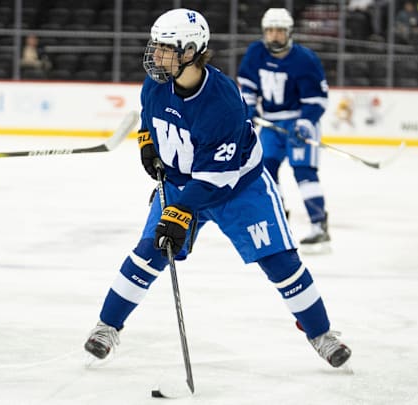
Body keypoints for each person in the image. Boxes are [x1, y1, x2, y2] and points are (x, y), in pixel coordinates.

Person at [83, 8, 351, 370]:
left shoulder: (222, 101)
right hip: (181, 183)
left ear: (191, 51)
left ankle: (321, 333)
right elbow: (149, 117)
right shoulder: (156, 81)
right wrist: (148, 144)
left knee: (280, 262)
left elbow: (215, 178)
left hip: (239, 189)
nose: (155, 55)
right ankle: (107, 327)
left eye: (165, 48)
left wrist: (179, 213)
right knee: (149, 253)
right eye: (155, 46)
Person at [237, 8, 331, 252]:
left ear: (289, 32)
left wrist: (305, 122)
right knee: (265, 170)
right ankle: (279, 219)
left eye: (279, 30)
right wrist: (249, 111)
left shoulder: (305, 59)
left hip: (298, 122)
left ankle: (319, 226)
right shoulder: (255, 53)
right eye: (270, 31)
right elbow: (247, 88)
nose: (274, 35)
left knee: (304, 172)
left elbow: (317, 100)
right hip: (271, 124)